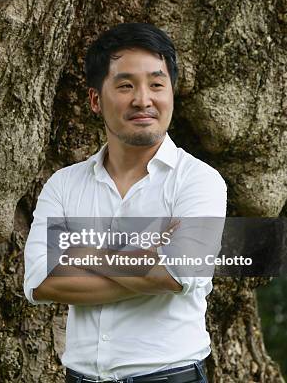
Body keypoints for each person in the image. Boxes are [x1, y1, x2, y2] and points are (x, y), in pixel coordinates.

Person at [23, 23, 226, 383]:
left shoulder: (199, 181)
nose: (143, 99)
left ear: (172, 93)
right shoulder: (64, 184)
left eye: (157, 84)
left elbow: (176, 273)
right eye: (126, 85)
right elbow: (41, 281)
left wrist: (82, 255)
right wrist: (148, 260)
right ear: (95, 99)